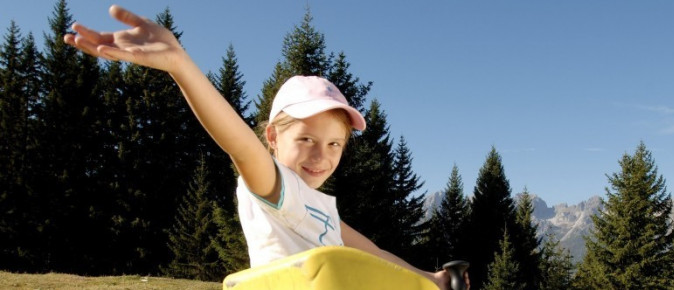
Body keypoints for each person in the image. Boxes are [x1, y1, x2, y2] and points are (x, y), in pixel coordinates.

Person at [64, 5, 469, 290]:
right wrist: (182, 67)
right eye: (306, 139)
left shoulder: (321, 209)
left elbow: (375, 252)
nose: (321, 155)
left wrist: (429, 278)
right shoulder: (275, 188)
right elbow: (240, 144)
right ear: (273, 137)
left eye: (334, 143)